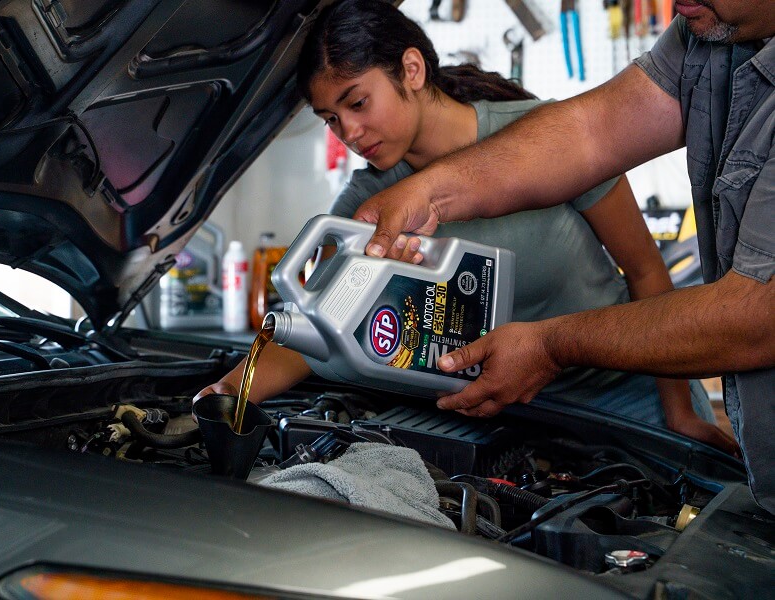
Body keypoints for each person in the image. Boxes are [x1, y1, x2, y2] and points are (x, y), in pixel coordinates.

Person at [195, 0, 736, 451]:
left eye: (357, 102)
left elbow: (645, 271)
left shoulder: (546, 139)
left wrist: (680, 415)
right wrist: (224, 393)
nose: (350, 133)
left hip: (623, 395)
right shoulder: (367, 207)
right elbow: (306, 332)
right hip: (506, 421)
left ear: (411, 70)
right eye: (331, 120)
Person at [352, 2, 773, 511]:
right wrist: (431, 193)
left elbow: (756, 315)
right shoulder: (706, 34)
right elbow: (592, 133)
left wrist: (551, 346)